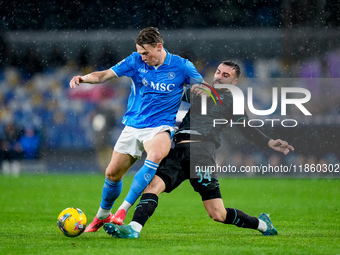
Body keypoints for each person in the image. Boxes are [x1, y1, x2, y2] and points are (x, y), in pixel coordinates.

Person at [103, 61, 294, 238]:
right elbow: (169, 95)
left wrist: (269, 142)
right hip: (178, 151)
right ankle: (134, 229)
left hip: (202, 155)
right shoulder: (199, 91)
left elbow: (246, 128)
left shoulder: (232, 101)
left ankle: (262, 224)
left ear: (235, 82)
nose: (219, 76)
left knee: (217, 213)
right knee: (152, 187)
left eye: (225, 75)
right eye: (218, 72)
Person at [69, 27, 204, 232]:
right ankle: (102, 215)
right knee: (112, 174)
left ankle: (123, 210)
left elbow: (202, 88)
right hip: (133, 125)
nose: (143, 57)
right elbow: (104, 74)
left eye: (146, 53)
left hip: (160, 126)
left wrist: (199, 90)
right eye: (140, 53)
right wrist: (83, 78)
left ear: (159, 47)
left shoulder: (182, 66)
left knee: (157, 153)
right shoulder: (135, 60)